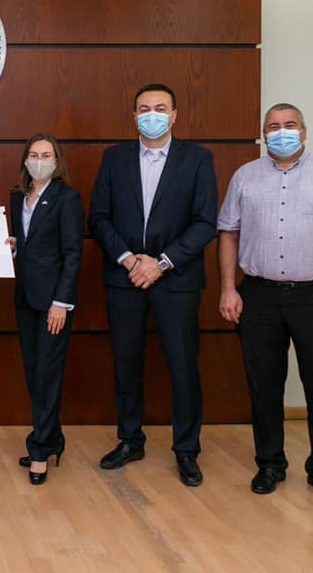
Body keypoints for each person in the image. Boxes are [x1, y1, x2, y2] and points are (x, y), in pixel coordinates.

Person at [218, 103, 313, 506]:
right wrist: (228, 289)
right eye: (273, 126)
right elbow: (228, 233)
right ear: (263, 134)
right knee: (264, 385)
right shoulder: (245, 177)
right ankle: (270, 463)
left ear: (304, 131)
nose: (281, 131)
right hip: (259, 295)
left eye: (289, 125)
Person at [88, 83, 218, 487]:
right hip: (124, 277)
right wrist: (129, 259)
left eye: (161, 108)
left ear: (174, 115)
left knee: (183, 367)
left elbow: (205, 223)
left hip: (175, 279)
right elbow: (98, 217)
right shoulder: (114, 159)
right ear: (134, 116)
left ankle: (187, 450)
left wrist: (160, 263)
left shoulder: (198, 159)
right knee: (126, 363)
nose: (152, 114)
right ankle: (130, 440)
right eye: (144, 108)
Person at [7, 133, 84, 485]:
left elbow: (72, 254)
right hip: (25, 299)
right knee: (33, 371)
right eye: (34, 154)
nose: (39, 160)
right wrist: (11, 246)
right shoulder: (17, 196)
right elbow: (26, 245)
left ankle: (39, 449)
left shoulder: (68, 199)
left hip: (53, 304)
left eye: (46, 155)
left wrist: (61, 303)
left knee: (47, 375)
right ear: (25, 159)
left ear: (57, 160)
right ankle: (52, 438)